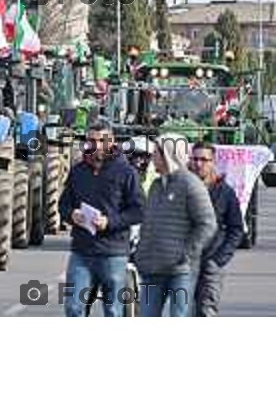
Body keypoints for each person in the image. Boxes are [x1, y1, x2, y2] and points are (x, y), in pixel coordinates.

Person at [59, 122, 145, 317]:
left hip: (113, 252)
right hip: (82, 251)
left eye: (101, 140)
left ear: (111, 142)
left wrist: (110, 222)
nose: (96, 145)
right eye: (91, 140)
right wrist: (72, 215)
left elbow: (139, 210)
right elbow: (64, 204)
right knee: (73, 308)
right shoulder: (78, 171)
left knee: (113, 311)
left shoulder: (126, 172)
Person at [135, 133, 217, 317]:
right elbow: (149, 223)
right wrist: (140, 254)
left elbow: (207, 224)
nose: (152, 157)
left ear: (168, 155)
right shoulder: (156, 185)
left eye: (156, 152)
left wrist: (186, 253)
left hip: (180, 272)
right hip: (152, 269)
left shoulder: (190, 184)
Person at [190, 141, 243, 317]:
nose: (198, 164)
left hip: (210, 264)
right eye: (195, 159)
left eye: (204, 159)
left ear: (213, 162)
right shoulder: (182, 188)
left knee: (206, 312)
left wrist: (219, 259)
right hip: (184, 263)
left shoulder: (225, 192)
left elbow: (236, 229)